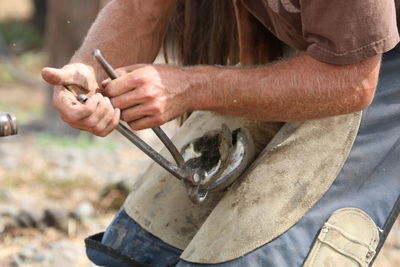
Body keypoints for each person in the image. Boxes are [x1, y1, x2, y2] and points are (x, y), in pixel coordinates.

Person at [41, 0, 400, 266]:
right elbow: (140, 8)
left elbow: (353, 82)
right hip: (323, 48)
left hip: (368, 68)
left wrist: (194, 87)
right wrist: (88, 69)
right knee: (140, 250)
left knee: (251, 258)